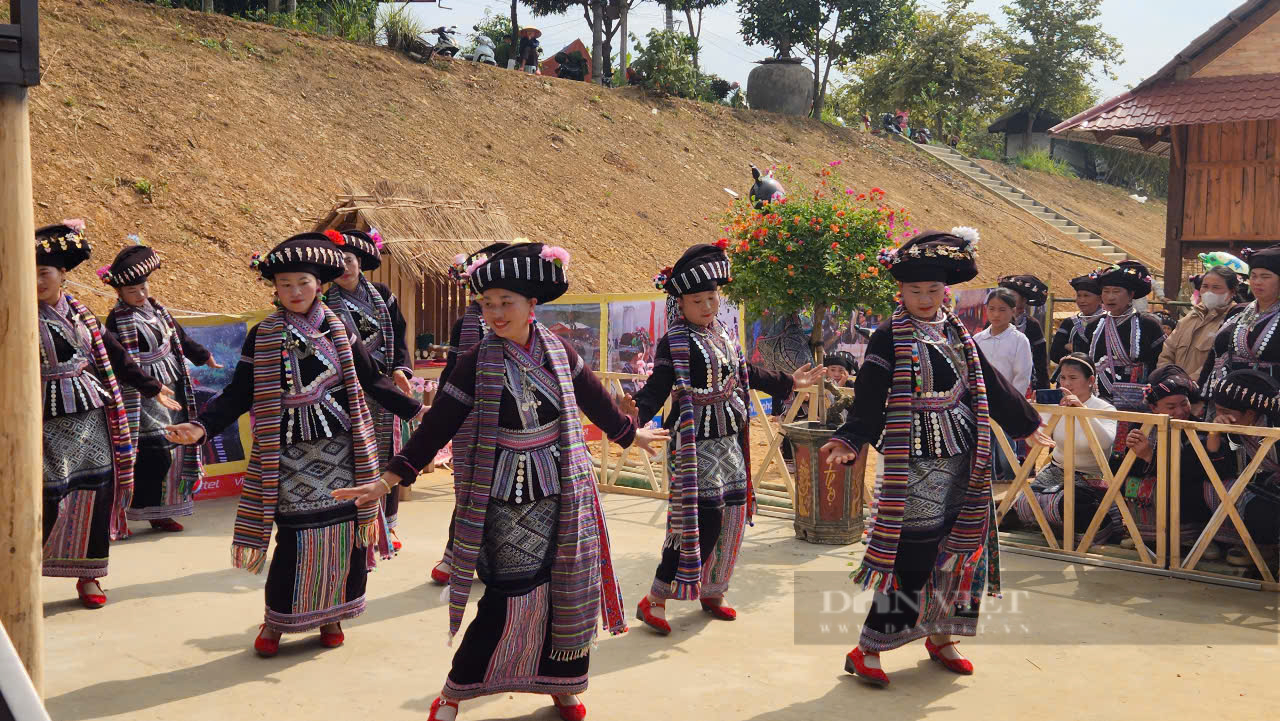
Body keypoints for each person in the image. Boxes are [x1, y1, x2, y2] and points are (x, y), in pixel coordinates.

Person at [336, 242, 669, 721]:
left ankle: (562, 684)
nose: (494, 313)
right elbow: (438, 425)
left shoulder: (558, 349)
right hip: (506, 497)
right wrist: (388, 480)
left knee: (565, 588)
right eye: (486, 304)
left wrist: (628, 435)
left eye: (505, 302)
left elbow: (593, 397)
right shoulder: (476, 361)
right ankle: (456, 690)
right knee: (509, 593)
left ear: (532, 305)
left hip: (563, 492)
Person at [165, 232, 424, 656]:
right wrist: (202, 428)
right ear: (275, 289)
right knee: (296, 539)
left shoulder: (339, 328)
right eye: (284, 284)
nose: (294, 292)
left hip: (343, 450)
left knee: (344, 536)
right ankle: (278, 621)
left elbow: (371, 379)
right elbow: (238, 392)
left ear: (318, 284)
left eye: (302, 282)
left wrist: (416, 413)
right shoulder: (264, 334)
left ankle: (334, 615)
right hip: (288, 454)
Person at [819, 227, 1048, 687]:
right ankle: (868, 647)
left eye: (933, 289)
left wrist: (1027, 424)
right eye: (914, 290)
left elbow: (992, 384)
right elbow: (870, 395)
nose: (925, 298)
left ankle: (944, 636)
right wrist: (851, 437)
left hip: (966, 453)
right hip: (917, 462)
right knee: (915, 555)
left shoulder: (956, 331)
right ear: (900, 291)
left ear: (946, 291)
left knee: (964, 550)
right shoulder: (889, 336)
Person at [629, 243, 823, 635]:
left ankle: (713, 590)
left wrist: (790, 382)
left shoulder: (722, 333)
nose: (706, 306)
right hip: (694, 444)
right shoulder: (676, 341)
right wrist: (632, 413)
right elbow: (656, 388)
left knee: (733, 515)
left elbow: (746, 372)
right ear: (680, 303)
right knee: (699, 521)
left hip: (731, 440)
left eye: (712, 298)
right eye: (697, 300)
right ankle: (655, 597)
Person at [38, 220, 178, 608]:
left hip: (92, 416)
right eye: (29, 274)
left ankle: (90, 576)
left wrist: (151, 385)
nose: (37, 281)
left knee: (95, 494)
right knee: (49, 498)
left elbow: (114, 353)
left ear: (62, 274)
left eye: (44, 273)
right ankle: (21, 572)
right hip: (43, 420)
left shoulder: (81, 313)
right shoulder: (16, 315)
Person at [102, 240, 220, 534]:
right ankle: (134, 511)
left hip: (173, 383)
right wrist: (148, 386)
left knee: (176, 445)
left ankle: (164, 510)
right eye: (132, 291)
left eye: (144, 288)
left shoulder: (158, 310)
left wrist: (203, 356)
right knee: (151, 450)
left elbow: (178, 337)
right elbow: (120, 361)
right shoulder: (117, 320)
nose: (141, 295)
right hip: (141, 393)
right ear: (119, 292)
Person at [323, 227, 415, 551]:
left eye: (349, 260)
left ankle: (388, 527)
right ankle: (360, 525)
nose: (345, 268)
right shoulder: (325, 306)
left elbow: (400, 336)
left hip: (386, 389)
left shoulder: (382, 294)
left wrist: (401, 370)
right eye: (338, 263)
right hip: (350, 392)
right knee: (358, 458)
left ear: (360, 261)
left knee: (389, 457)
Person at [429, 242, 509, 586]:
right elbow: (453, 372)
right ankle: (455, 555)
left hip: (514, 421)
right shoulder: (468, 324)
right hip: (472, 420)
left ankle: (501, 558)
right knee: (471, 490)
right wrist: (441, 415)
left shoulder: (528, 326)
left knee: (506, 491)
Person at [1006, 353, 1119, 542]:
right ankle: (1057, 527)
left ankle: (1081, 527)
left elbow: (1105, 442)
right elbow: (1033, 443)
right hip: (1055, 472)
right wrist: (1036, 413)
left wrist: (1081, 411)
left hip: (1089, 477)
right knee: (1024, 504)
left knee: (1069, 505)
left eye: (1073, 378)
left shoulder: (1105, 409)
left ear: (1091, 380)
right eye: (1063, 378)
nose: (1066, 384)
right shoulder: (1056, 406)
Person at [1116, 365, 1215, 556]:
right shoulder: (1139, 426)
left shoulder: (1200, 428)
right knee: (1133, 484)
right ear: (1153, 408)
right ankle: (1141, 534)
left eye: (1184, 403)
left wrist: (1149, 456)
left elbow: (1197, 471)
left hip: (1187, 499)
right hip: (1148, 499)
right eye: (1170, 407)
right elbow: (1118, 470)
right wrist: (1133, 454)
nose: (1180, 411)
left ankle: (1192, 538)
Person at [1202, 369, 1280, 569]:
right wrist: (1214, 436)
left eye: (1226, 413)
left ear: (1251, 414)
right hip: (1254, 487)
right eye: (1217, 410)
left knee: (1262, 510)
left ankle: (1267, 552)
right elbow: (1218, 471)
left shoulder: (1274, 427)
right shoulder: (1229, 431)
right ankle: (1237, 544)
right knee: (1211, 488)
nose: (1220, 417)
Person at [1084, 261, 1166, 415]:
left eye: (1116, 291)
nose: (1110, 297)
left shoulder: (1148, 325)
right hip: (1098, 398)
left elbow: (1160, 363)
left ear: (1131, 295)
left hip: (1138, 401)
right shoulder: (1093, 326)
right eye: (1106, 291)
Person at [1200, 244, 1280, 392]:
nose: (1257, 282)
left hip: (1269, 400)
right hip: (1227, 397)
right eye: (1254, 276)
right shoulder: (1238, 311)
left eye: (1265, 276)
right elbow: (1213, 356)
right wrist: (1201, 396)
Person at [974, 287, 1034, 481]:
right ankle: (987, 493)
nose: (996, 314)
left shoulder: (1019, 340)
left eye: (1002, 309)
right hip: (981, 406)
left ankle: (1011, 495)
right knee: (983, 452)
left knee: (1006, 452)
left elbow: (1021, 375)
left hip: (1007, 406)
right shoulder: (977, 340)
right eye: (992, 309)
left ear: (1013, 310)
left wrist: (1009, 403)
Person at [1158, 266, 1237, 382]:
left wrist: (1188, 384)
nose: (1209, 292)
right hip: (1175, 391)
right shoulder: (1191, 317)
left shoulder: (1233, 320)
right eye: (1205, 286)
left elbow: (1217, 363)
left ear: (1232, 292)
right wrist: (1168, 379)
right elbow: (1167, 351)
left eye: (1216, 287)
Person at [998, 274, 1050, 390]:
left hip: (1026, 384)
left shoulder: (1032, 325)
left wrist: (1043, 389)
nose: (1007, 299)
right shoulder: (994, 323)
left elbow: (1040, 361)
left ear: (1024, 300)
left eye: (1012, 296)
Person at [1050, 273, 1105, 363]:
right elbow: (1055, 354)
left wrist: (1072, 347)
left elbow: (1101, 354)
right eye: (1079, 296)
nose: (1082, 300)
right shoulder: (1069, 323)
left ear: (1100, 299)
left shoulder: (1107, 322)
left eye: (1086, 296)